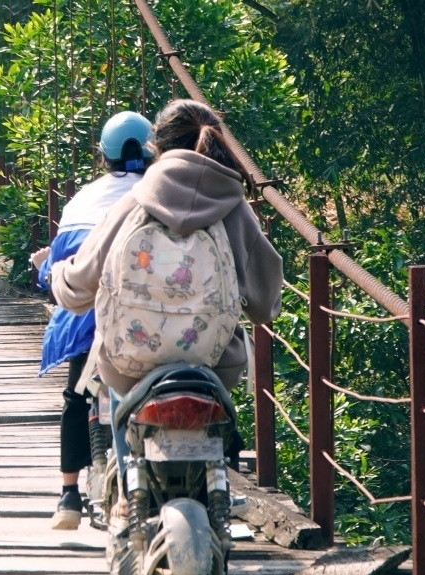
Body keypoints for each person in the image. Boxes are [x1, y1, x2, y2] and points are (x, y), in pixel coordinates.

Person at [49, 99, 282, 397]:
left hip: (130, 365)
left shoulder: (135, 202)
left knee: (110, 384)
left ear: (156, 148)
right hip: (215, 364)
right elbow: (265, 307)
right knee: (228, 432)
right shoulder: (236, 210)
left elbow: (79, 285)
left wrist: (59, 275)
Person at [34, 110, 153, 529]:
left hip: (90, 321)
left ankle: (68, 495)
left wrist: (44, 269)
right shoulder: (165, 194)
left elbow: (64, 264)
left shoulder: (83, 199)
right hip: (149, 323)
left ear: (103, 156)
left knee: (76, 396)